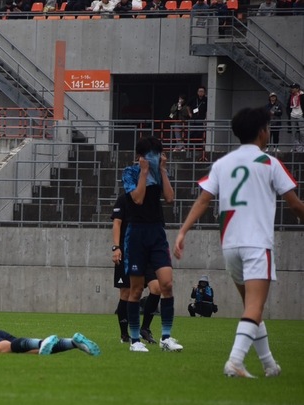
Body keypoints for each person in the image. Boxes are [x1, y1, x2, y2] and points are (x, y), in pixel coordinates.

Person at [174, 107, 304, 377]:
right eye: (268, 128)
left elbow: (203, 200)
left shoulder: (223, 164)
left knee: (251, 308)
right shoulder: (269, 163)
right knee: (255, 307)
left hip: (230, 245)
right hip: (256, 244)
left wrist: (182, 231)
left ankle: (269, 365)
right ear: (262, 132)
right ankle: (235, 361)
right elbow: (295, 206)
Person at [120, 135, 182, 353]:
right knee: (135, 289)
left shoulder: (159, 172)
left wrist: (163, 171)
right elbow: (137, 198)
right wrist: (144, 172)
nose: (156, 158)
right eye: (152, 154)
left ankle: (166, 336)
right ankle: (135, 340)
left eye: (158, 154)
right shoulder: (130, 173)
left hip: (156, 232)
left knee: (166, 284)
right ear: (141, 156)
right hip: (136, 233)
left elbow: (170, 198)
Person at [111, 191, 161, 344]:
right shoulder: (123, 199)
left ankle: (145, 328)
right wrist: (116, 247)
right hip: (127, 252)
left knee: (156, 288)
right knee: (126, 293)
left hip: (147, 252)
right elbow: (117, 223)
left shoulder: (150, 199)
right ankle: (124, 334)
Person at [189, 86, 208, 159]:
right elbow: (188, 106)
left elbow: (207, 109)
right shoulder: (194, 99)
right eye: (199, 91)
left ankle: (198, 147)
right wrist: (190, 113)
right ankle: (190, 147)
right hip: (193, 119)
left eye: (202, 91)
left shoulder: (205, 100)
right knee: (192, 133)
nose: (201, 93)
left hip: (201, 119)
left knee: (200, 133)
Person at [287, 83, 303, 153]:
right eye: (291, 88)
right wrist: (289, 113)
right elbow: (288, 106)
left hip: (301, 115)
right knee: (293, 132)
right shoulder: (291, 96)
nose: (292, 89)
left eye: (293, 88)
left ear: (297, 89)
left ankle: (302, 147)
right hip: (293, 115)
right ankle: (294, 148)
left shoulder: (302, 95)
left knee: (302, 133)